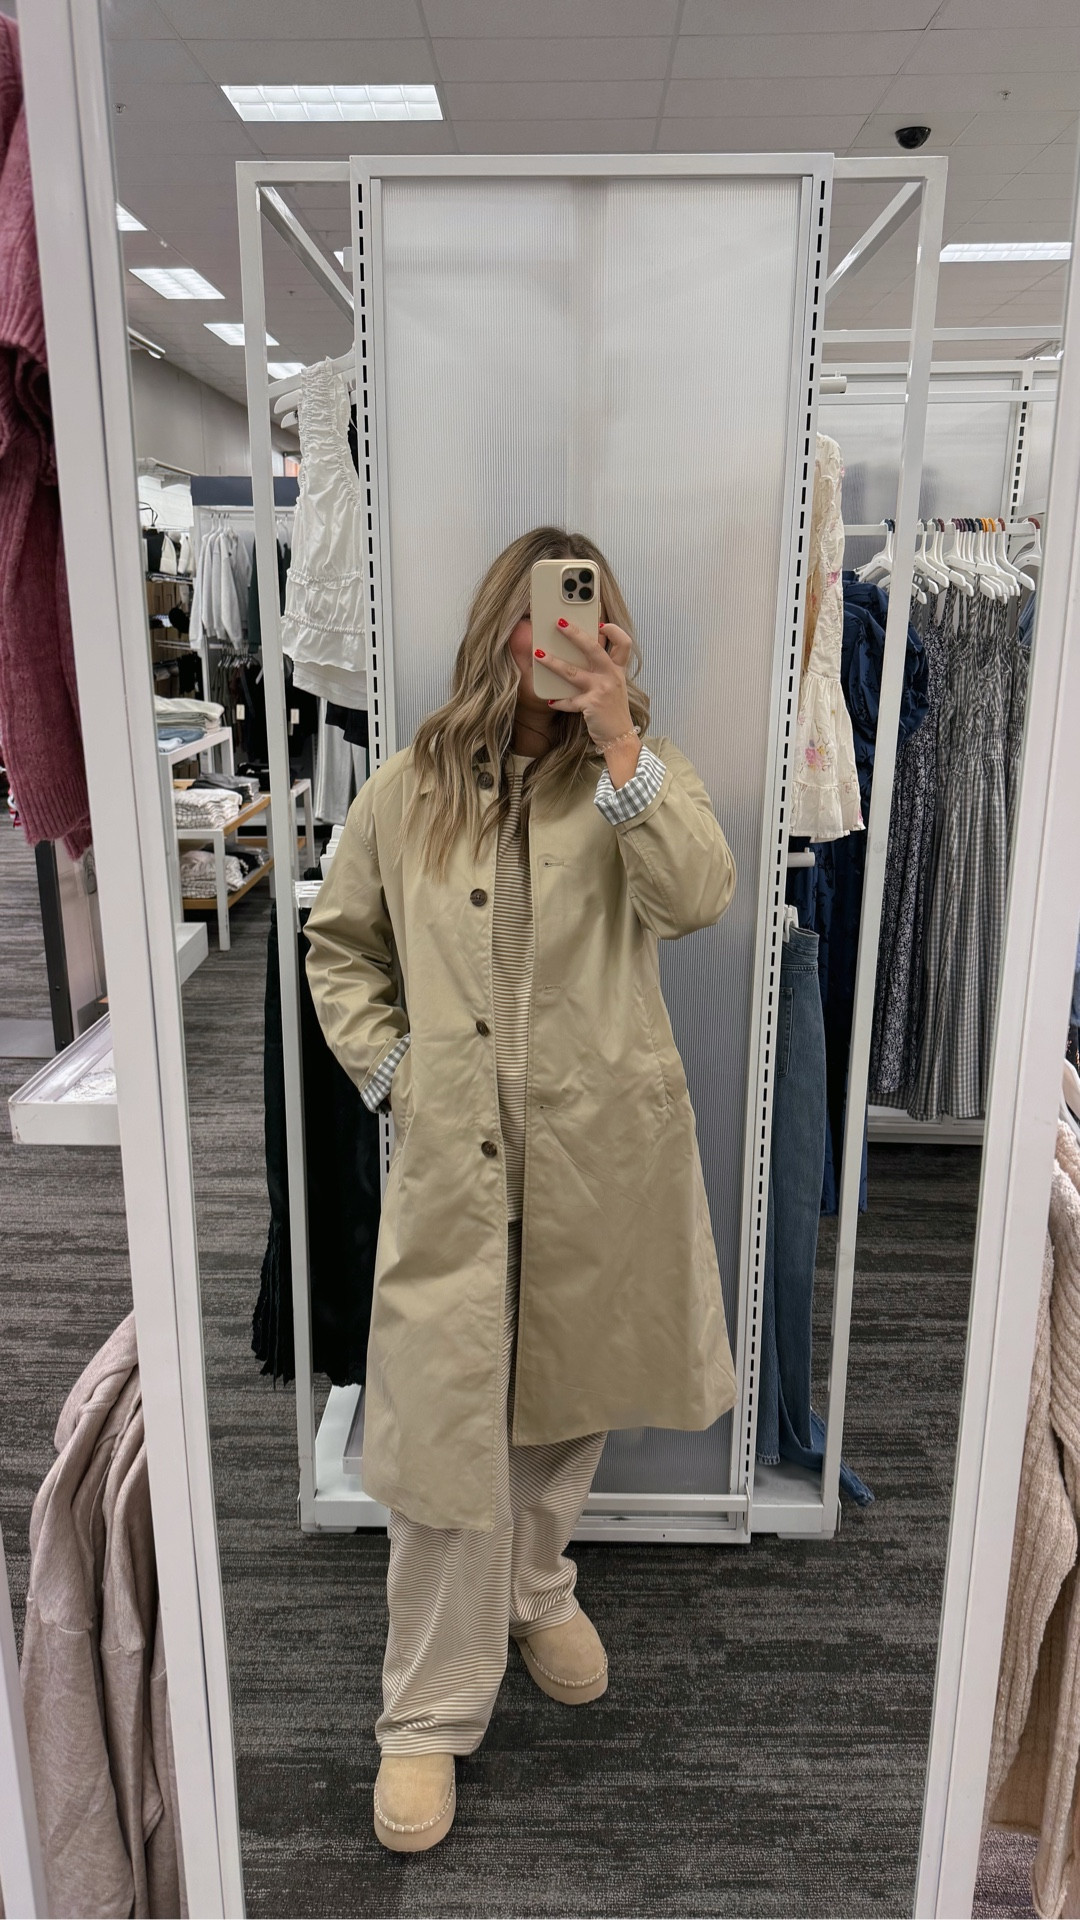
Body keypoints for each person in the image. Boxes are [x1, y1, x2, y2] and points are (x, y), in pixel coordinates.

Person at [304, 526, 738, 1852]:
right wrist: (396, 1076)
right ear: (503, 625)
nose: (560, 640)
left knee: (565, 1403)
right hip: (457, 1164)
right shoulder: (412, 787)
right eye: (543, 616)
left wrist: (620, 741)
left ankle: (537, 1588)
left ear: (607, 636)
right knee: (447, 1442)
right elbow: (339, 946)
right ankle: (426, 1714)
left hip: (598, 1157)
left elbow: (699, 897)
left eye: (585, 619)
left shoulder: (637, 777)